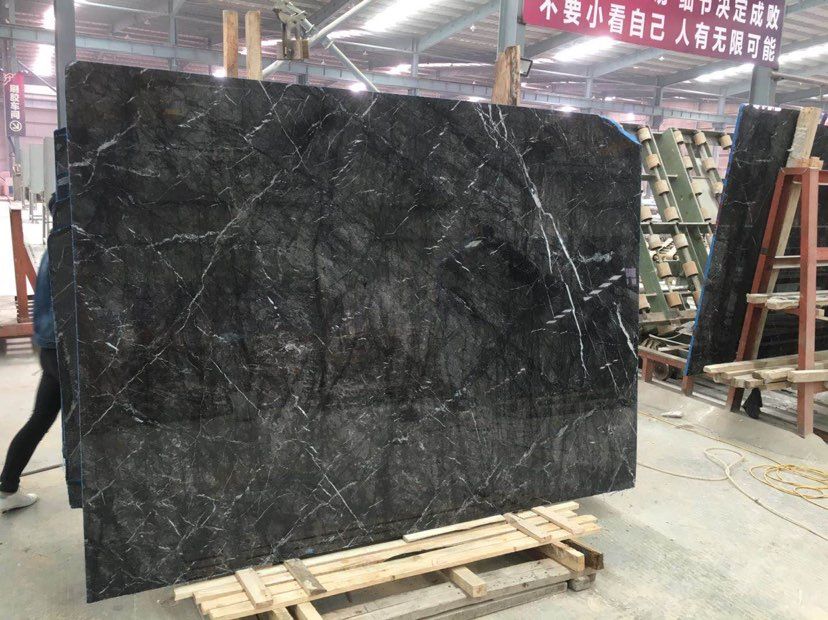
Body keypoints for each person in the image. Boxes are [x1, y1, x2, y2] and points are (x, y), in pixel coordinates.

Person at [1, 199, 62, 513]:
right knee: (94, 424)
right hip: (63, 349)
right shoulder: (70, 249)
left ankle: (7, 488)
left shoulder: (54, 246)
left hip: (48, 347)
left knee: (40, 419)